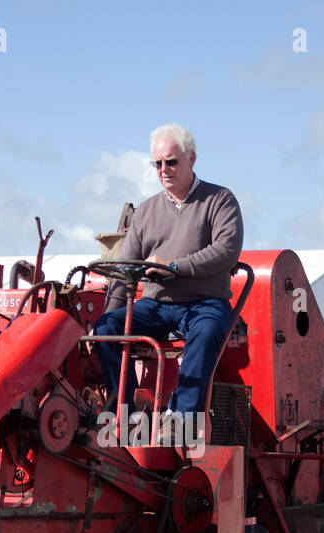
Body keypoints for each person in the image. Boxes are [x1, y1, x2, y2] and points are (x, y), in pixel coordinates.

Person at [91, 123, 244, 425]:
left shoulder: (220, 200)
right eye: (158, 163)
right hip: (156, 306)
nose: (164, 169)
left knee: (208, 330)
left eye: (171, 162)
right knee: (105, 328)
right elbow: (125, 270)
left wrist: (174, 267)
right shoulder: (146, 212)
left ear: (192, 159)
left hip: (204, 302)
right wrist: (110, 315)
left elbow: (226, 251)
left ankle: (180, 418)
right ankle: (127, 413)